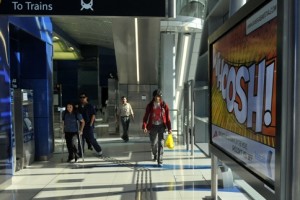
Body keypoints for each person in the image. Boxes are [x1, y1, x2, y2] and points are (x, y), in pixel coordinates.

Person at [142, 89, 172, 167]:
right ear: (154, 97)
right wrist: (144, 126)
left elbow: (168, 118)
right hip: (152, 126)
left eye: (159, 96)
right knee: (153, 143)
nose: (157, 98)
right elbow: (146, 116)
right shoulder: (150, 105)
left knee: (161, 144)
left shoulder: (164, 105)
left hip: (162, 126)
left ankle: (160, 160)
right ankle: (155, 154)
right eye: (156, 96)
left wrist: (169, 128)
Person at [77, 92, 103, 157]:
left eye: (84, 97)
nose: (82, 99)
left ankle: (99, 150)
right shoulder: (79, 106)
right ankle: (80, 153)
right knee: (81, 140)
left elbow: (93, 115)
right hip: (81, 125)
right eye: (81, 98)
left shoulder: (90, 106)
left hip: (88, 125)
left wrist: (91, 124)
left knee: (91, 139)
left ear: (86, 98)